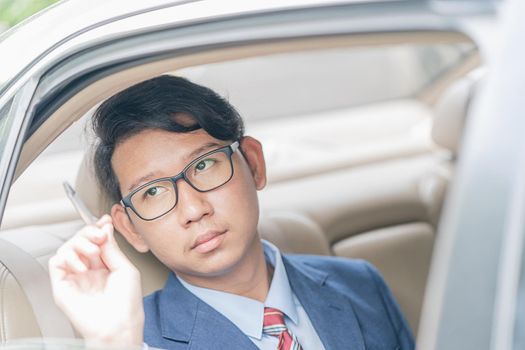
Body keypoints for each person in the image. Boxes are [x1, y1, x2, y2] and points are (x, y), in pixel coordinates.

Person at [48, 75, 415, 350]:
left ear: (253, 163)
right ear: (130, 229)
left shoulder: (359, 284)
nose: (193, 209)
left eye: (205, 165)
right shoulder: (135, 338)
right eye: (153, 192)